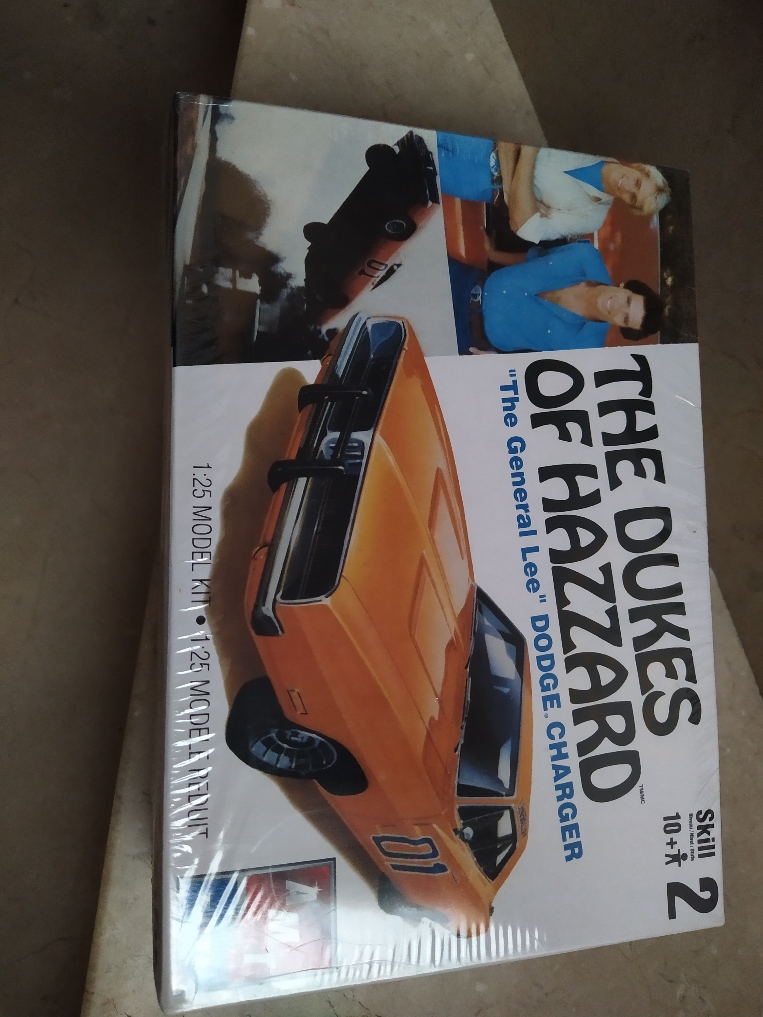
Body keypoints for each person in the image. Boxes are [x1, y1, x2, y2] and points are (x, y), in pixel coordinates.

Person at [436, 133, 671, 243]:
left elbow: (524, 227)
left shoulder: (592, 217)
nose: (627, 187)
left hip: (480, 184)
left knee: (417, 167)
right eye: (637, 182)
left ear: (630, 205)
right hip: (479, 139)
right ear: (639, 168)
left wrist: (528, 151)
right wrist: (516, 194)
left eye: (633, 197)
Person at [447, 240, 664, 355]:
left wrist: (495, 363)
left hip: (467, 337)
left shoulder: (586, 350)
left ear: (621, 327)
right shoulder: (586, 255)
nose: (617, 307)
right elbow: (535, 256)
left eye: (625, 318)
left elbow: (533, 371)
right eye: (627, 301)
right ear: (625, 287)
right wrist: (493, 254)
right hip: (464, 280)